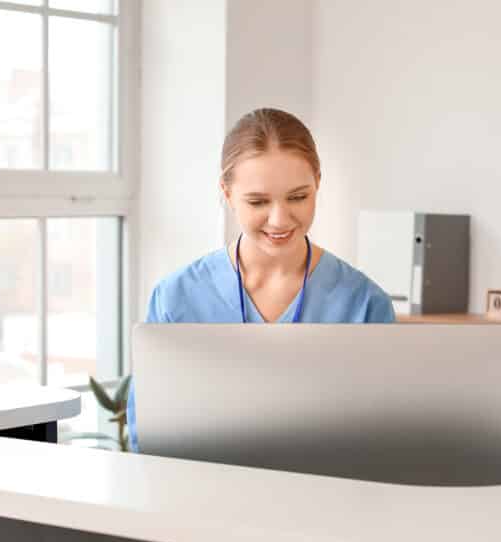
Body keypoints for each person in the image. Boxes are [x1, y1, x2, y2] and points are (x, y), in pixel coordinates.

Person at [126, 108, 395, 452]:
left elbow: (382, 440)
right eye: (258, 201)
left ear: (318, 184)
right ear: (227, 193)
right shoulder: (176, 298)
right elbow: (146, 436)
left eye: (298, 197)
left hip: (327, 499)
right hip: (199, 496)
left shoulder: (364, 304)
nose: (279, 220)